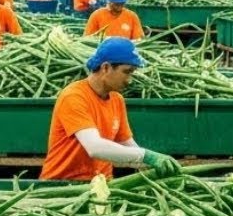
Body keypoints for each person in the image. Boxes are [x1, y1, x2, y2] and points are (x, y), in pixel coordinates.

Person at [41, 38, 180, 181]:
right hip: (62, 185)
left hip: (102, 184)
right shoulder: (74, 96)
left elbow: (127, 145)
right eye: (127, 72)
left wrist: (152, 165)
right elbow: (94, 147)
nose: (129, 80)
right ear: (106, 67)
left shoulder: (117, 100)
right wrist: (147, 156)